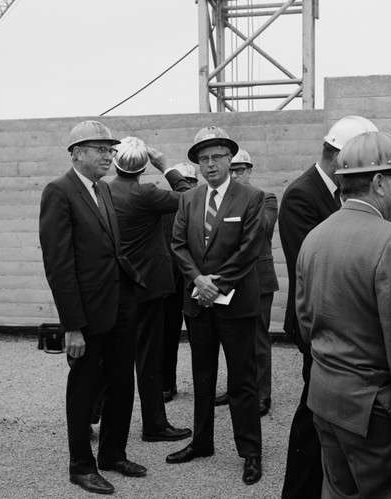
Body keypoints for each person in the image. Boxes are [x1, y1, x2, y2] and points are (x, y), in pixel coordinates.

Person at [296, 130, 391, 498]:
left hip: (327, 401)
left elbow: (307, 323)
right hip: (377, 415)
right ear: (378, 182)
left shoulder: (315, 236)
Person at [39, 121, 146, 495]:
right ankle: (81, 466)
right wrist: (72, 326)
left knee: (121, 383)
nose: (108, 155)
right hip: (87, 315)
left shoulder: (102, 189)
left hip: (119, 307)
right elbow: (59, 264)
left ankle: (113, 454)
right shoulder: (59, 191)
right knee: (84, 388)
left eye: (110, 149)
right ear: (76, 153)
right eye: (99, 149)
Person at [278, 115, 378, 498]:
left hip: (333, 324)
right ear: (339, 158)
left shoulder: (334, 191)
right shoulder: (302, 194)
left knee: (323, 413)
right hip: (318, 324)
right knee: (314, 413)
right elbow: (314, 269)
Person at [167, 126, 265, 485]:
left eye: (217, 157)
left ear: (230, 159)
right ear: (197, 165)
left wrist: (217, 284)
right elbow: (178, 244)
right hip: (198, 302)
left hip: (236, 304)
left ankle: (250, 452)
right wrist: (198, 281)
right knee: (202, 376)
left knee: (242, 380)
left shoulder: (251, 197)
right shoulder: (190, 199)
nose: (210, 165)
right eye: (203, 159)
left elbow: (250, 248)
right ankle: (201, 442)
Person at [108, 137, 192, 443]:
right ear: (145, 166)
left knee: (112, 355)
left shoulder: (103, 190)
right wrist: (167, 166)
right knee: (148, 359)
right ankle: (154, 424)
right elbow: (191, 197)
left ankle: (94, 413)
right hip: (150, 288)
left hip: (118, 286)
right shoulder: (146, 193)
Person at [213, 149, 279, 417]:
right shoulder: (224, 199)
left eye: (241, 170)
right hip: (233, 279)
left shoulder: (266, 198)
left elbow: (259, 230)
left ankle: (262, 394)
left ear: (250, 171)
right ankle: (236, 388)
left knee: (258, 340)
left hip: (259, 279)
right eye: (233, 170)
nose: (237, 174)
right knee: (233, 340)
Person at [162, 162, 199, 403]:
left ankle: (203, 384)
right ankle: (166, 383)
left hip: (194, 278)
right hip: (170, 281)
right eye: (186, 182)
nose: (190, 187)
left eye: (192, 182)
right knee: (167, 334)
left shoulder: (202, 205)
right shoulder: (165, 205)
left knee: (200, 336)